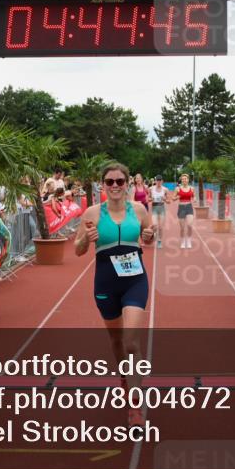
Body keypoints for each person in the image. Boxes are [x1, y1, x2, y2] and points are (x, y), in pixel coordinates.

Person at [74, 163, 155, 427]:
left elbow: (150, 237)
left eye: (120, 181)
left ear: (128, 183)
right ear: (103, 185)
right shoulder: (93, 213)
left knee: (131, 342)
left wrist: (150, 235)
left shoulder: (140, 210)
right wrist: (87, 238)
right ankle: (124, 376)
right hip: (106, 282)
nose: (115, 186)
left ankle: (135, 404)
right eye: (110, 182)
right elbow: (78, 250)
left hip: (135, 280)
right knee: (116, 339)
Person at [149, 175, 171, 248]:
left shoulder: (165, 189)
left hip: (161, 208)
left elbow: (169, 201)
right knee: (155, 226)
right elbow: (148, 199)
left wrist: (164, 199)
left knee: (161, 227)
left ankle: (159, 241)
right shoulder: (151, 189)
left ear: (162, 181)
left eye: (160, 180)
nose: (158, 182)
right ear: (155, 181)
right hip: (154, 208)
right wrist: (151, 199)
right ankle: (155, 235)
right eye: (157, 180)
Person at [175, 173, 196, 249]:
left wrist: (194, 199)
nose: (184, 180)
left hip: (189, 207)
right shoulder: (177, 189)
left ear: (188, 180)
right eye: (183, 179)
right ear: (181, 180)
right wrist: (178, 197)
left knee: (190, 225)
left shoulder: (192, 188)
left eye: (185, 179)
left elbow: (194, 196)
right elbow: (173, 198)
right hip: (181, 207)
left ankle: (189, 240)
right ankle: (183, 241)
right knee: (182, 227)